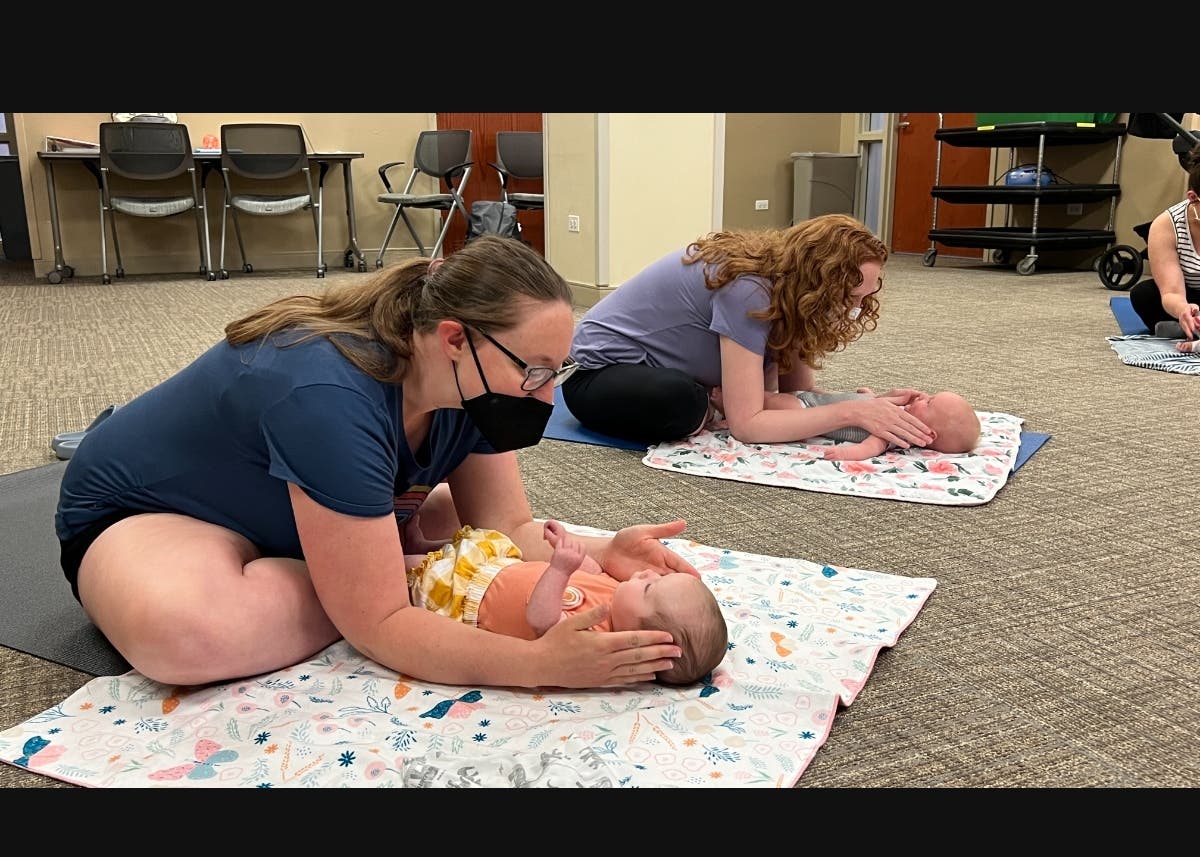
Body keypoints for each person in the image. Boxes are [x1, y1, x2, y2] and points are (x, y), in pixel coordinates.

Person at [54, 234, 701, 690]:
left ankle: (362, 548)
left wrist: (604, 548)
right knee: (191, 635)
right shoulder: (327, 391)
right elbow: (383, 624)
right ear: (454, 339)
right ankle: (365, 553)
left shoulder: (470, 390)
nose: (549, 395)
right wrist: (540, 664)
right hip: (154, 514)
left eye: (555, 372)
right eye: (533, 371)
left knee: (450, 522)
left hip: (292, 508)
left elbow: (509, 530)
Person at [563, 213, 936, 450]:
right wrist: (850, 414)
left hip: (661, 372)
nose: (855, 309)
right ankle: (710, 401)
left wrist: (866, 405)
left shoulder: (792, 294)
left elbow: (798, 394)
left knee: (750, 402)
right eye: (849, 298)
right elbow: (748, 426)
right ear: (817, 284)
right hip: (596, 379)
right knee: (685, 404)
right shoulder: (749, 287)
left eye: (864, 298)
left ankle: (715, 399)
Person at [406, 520, 727, 686]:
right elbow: (591, 573)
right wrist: (569, 551)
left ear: (642, 639)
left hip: (467, 599)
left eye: (649, 589)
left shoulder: (594, 638)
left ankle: (391, 558)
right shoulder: (618, 595)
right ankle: (423, 545)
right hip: (492, 571)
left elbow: (541, 618)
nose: (645, 574)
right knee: (445, 550)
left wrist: (559, 569)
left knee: (413, 569)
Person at [720, 387, 981, 461]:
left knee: (773, 402)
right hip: (815, 398)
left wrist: (846, 453)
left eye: (930, 403)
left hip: (806, 409)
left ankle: (725, 402)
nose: (924, 396)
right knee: (775, 396)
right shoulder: (898, 412)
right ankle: (731, 400)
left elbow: (870, 447)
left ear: (928, 433)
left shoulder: (893, 434)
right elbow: (866, 407)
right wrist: (873, 397)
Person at [1129, 144, 1200, 345]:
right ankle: (1187, 324)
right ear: (1193, 198)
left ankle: (1182, 331)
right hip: (1190, 296)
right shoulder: (1166, 225)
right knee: (1143, 294)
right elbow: (1171, 292)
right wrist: (1183, 309)